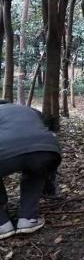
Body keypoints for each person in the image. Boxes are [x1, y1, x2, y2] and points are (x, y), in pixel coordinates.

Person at [0, 101, 61, 240]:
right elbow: (45, 129)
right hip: (47, 149)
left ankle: (2, 223)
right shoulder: (27, 109)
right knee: (37, 169)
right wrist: (49, 188)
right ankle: (27, 219)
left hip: (4, 153)